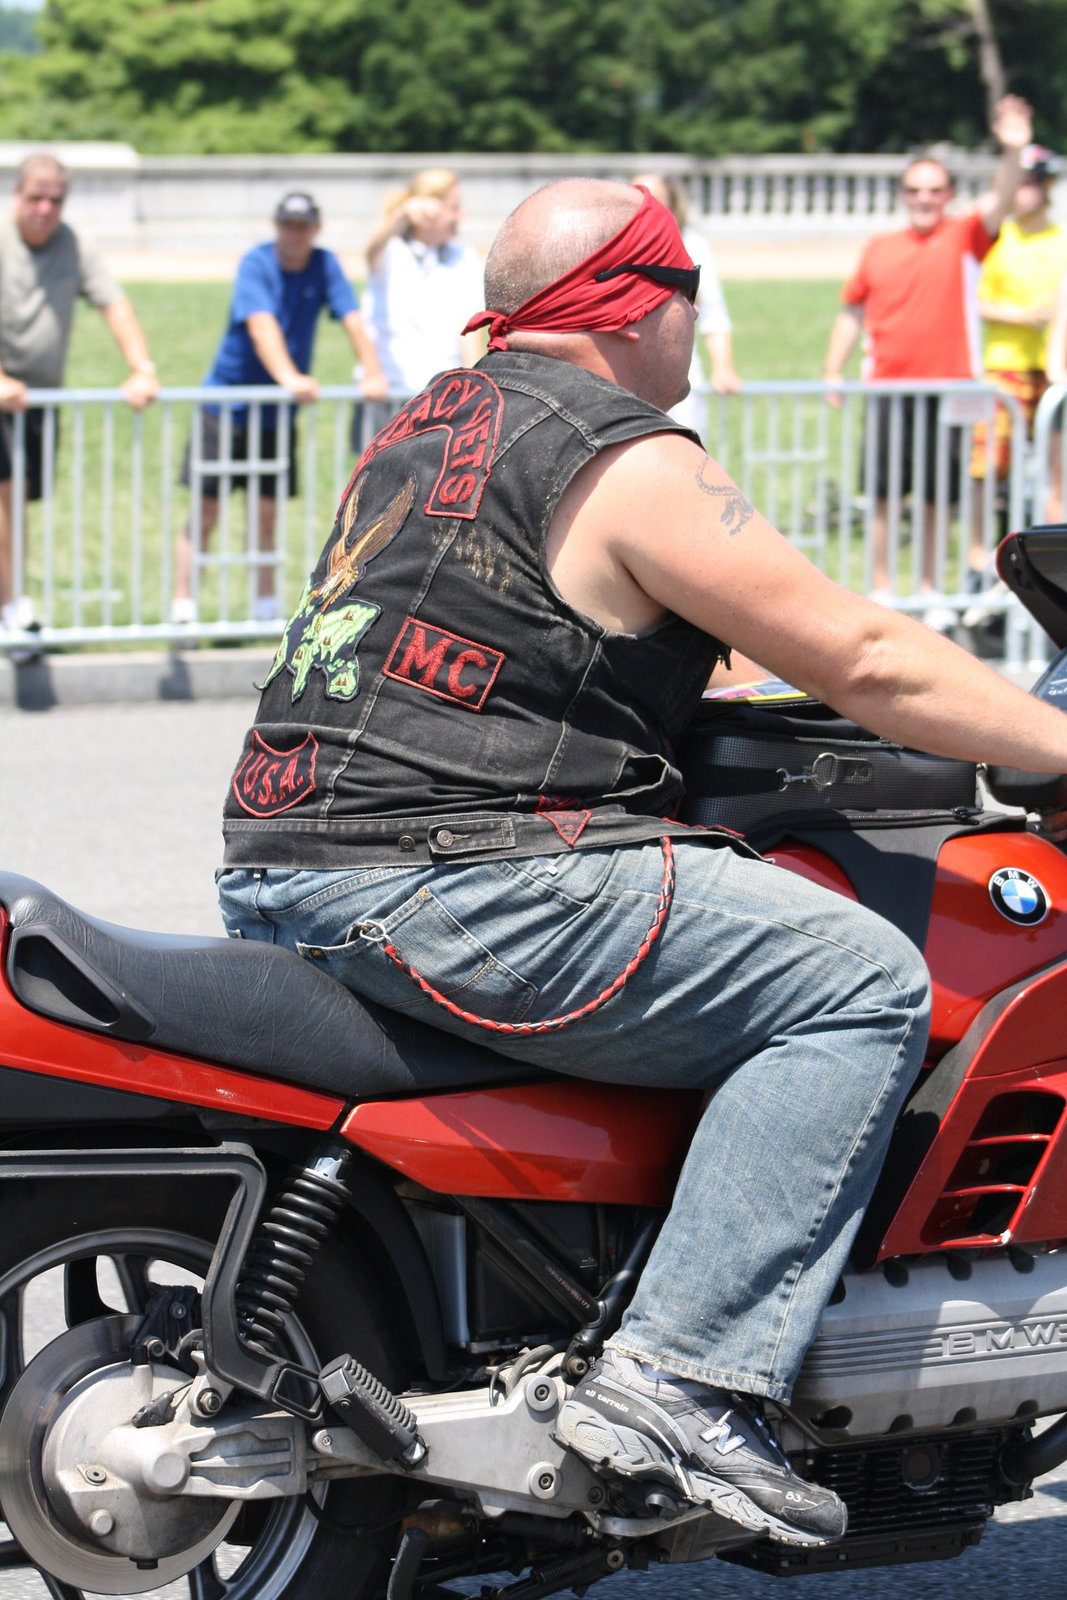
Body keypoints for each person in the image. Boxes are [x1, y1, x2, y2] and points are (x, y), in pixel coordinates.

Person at [216, 179, 1067, 1550]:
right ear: (632, 304)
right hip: (462, 874)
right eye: (685, 289)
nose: (693, 314)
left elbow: (615, 640)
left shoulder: (431, 428)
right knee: (851, 978)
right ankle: (677, 1379)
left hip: (290, 868)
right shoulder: (627, 454)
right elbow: (861, 656)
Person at [823, 95, 1032, 610]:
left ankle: (928, 591)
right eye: (915, 189)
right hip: (889, 388)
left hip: (950, 387)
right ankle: (881, 590)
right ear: (902, 195)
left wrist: (1014, 152)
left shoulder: (965, 236)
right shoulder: (879, 245)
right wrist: (832, 369)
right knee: (884, 497)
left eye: (935, 190)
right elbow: (852, 311)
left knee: (939, 498)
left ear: (949, 196)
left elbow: (1001, 200)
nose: (925, 198)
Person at [174, 191, 387, 624]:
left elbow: (351, 317)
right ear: (276, 227)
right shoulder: (257, 263)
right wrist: (289, 377)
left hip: (275, 416)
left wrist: (373, 371)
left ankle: (264, 609)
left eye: (303, 226)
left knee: (266, 513)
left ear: (315, 228)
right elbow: (261, 324)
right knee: (206, 509)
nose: (295, 234)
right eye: (287, 225)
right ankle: (184, 605)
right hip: (226, 407)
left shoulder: (324, 264)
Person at [0, 151, 159, 645]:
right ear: (16, 195)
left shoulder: (74, 243)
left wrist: (141, 367)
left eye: (56, 199)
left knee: (19, 504)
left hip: (38, 399)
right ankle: (11, 608)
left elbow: (114, 303)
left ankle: (11, 600)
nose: (45, 208)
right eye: (36, 197)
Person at [970, 143, 1067, 560]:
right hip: (1003, 367)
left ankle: (1053, 552)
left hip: (1052, 372)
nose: (1021, 192)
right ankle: (979, 553)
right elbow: (974, 299)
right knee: (986, 467)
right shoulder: (996, 237)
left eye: (1030, 183)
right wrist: (1020, 315)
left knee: (1054, 471)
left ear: (1046, 187)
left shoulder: (1060, 240)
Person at [356, 168, 484, 439]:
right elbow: (370, 249)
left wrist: (475, 383)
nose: (461, 216)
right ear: (430, 212)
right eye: (454, 208)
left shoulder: (464, 256)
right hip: (389, 394)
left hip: (443, 397)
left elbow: (469, 327)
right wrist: (402, 214)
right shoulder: (391, 249)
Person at [631, 171, 741, 442]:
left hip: (678, 374)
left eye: (654, 198)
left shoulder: (693, 245)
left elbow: (714, 314)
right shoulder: (614, 243)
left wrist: (723, 366)